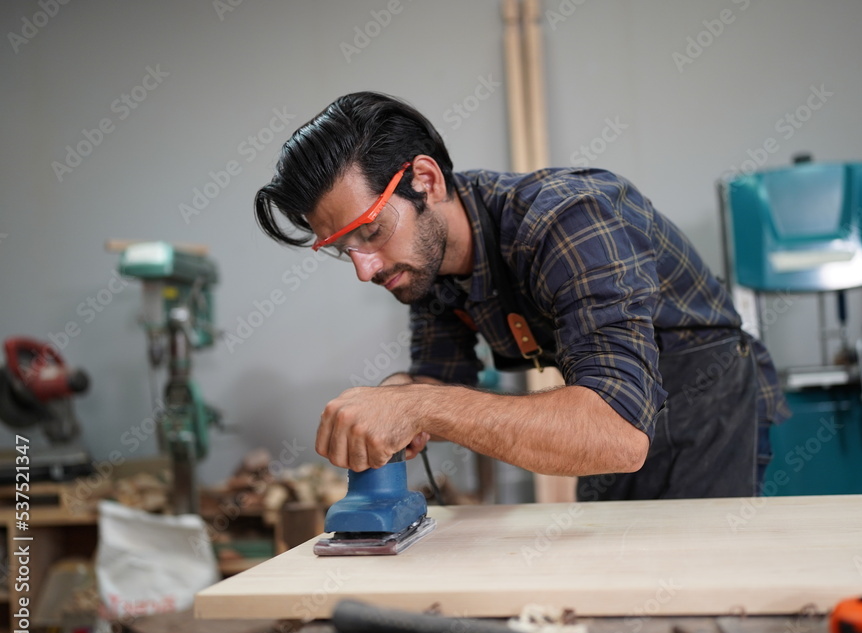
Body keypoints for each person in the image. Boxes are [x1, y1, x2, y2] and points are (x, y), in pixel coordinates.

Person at [254, 91, 789, 501]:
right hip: (611, 406)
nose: (363, 267)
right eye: (341, 247)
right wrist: (394, 396)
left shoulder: (568, 218)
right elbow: (442, 382)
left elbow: (618, 433)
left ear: (426, 179)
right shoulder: (423, 264)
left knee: (690, 593)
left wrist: (418, 405)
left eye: (370, 232)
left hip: (701, 397)